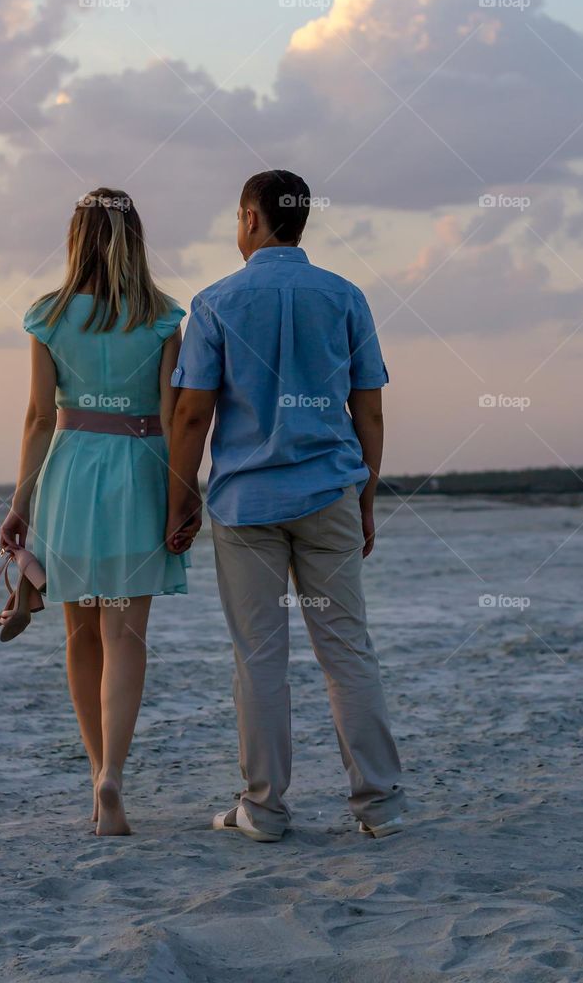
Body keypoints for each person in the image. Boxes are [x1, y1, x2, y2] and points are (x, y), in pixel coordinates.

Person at [166, 170, 405, 842]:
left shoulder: (215, 302)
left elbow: (191, 415)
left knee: (259, 658)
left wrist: (180, 498)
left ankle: (265, 809)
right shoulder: (344, 296)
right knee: (346, 650)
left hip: (246, 504)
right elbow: (369, 410)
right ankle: (380, 806)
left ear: (250, 218)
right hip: (330, 491)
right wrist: (366, 496)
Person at [0, 187, 186, 836]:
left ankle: (96, 771)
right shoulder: (162, 316)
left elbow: (38, 417)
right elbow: (173, 417)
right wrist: (182, 495)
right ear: (135, 237)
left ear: (75, 238)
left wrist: (20, 503)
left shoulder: (48, 316)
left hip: (70, 473)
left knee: (80, 634)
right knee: (125, 635)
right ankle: (115, 777)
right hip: (140, 472)